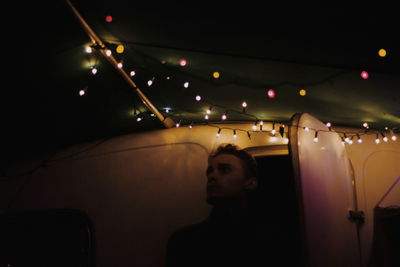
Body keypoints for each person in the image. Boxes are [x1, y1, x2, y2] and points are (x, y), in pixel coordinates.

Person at [165, 143, 286, 267]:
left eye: (224, 170)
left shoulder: (270, 237)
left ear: (250, 183)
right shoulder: (184, 241)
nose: (211, 176)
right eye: (210, 171)